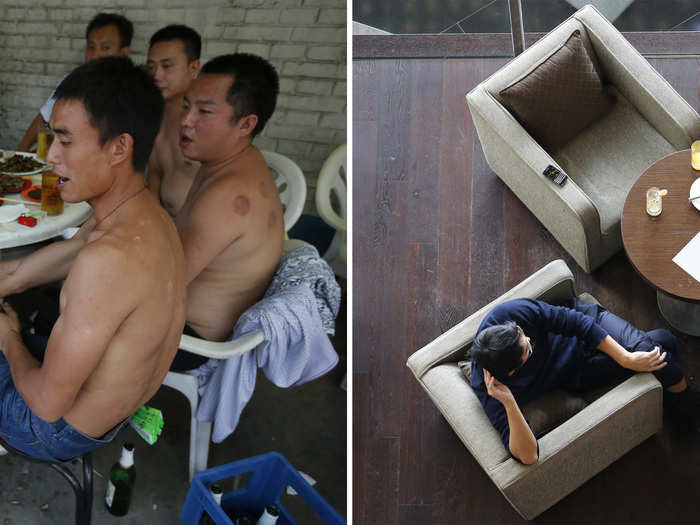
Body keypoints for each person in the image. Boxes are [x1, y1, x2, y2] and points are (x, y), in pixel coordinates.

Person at [0, 56, 186, 462]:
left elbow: (47, 406)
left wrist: (9, 338)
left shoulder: (108, 260)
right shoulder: (148, 217)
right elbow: (34, 268)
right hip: (109, 411)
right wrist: (9, 280)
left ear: (120, 147)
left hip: (52, 431)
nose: (50, 158)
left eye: (65, 141)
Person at [469, 297, 698, 465]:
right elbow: (529, 455)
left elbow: (575, 321)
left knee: (654, 347)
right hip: (576, 371)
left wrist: (626, 358)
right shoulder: (491, 389)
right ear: (512, 371)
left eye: (522, 332)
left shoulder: (506, 315)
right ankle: (683, 406)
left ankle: (685, 409)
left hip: (590, 325)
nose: (528, 338)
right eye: (528, 348)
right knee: (663, 341)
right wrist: (509, 403)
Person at [170, 53, 285, 371]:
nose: (186, 120)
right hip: (187, 316)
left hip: (190, 338)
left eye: (204, 111)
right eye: (186, 105)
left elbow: (162, 285)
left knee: (52, 321)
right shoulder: (236, 161)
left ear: (246, 124)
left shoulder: (227, 195)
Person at [16, 13, 133, 152]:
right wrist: (21, 152)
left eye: (105, 48)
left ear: (124, 52)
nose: (95, 55)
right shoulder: (72, 81)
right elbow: (44, 117)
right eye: (91, 47)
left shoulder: (133, 91)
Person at [146, 25, 202, 216]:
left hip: (204, 231)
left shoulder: (207, 122)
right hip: (166, 224)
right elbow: (154, 178)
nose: (156, 75)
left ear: (193, 67)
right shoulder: (155, 117)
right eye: (151, 66)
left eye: (167, 66)